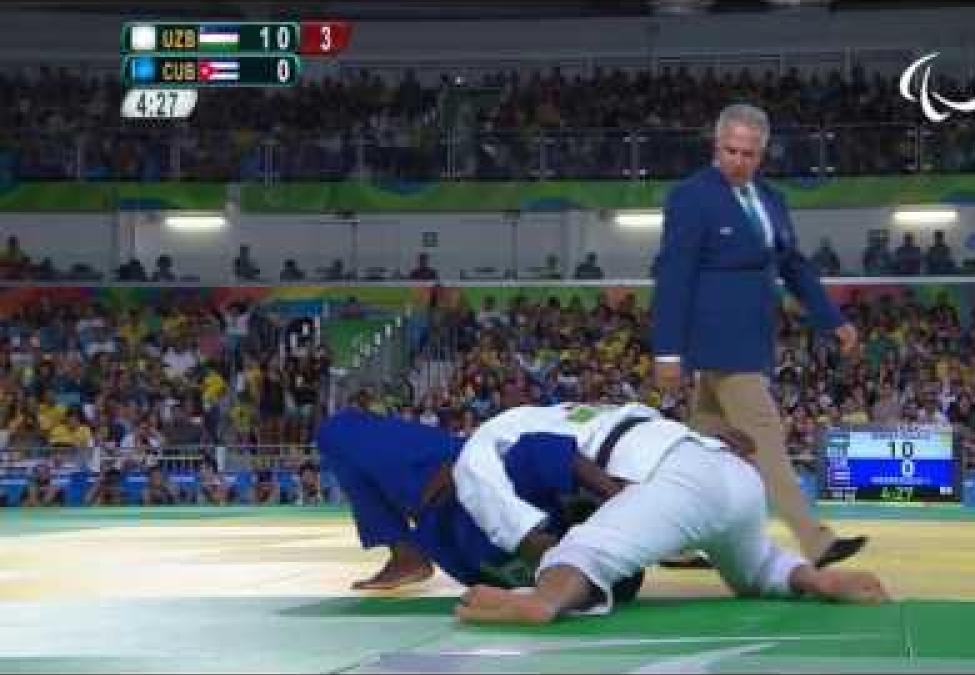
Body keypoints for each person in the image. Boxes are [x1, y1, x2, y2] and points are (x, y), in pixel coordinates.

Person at [650, 102, 864, 567]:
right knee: (765, 434)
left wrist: (833, 319)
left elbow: (794, 266)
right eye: (730, 151)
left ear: (762, 152)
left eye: (748, 153)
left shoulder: (772, 200)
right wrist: (667, 349)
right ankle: (815, 539)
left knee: (700, 445)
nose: (738, 161)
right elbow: (674, 273)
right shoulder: (691, 197)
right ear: (716, 146)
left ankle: (676, 543)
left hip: (754, 336)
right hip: (719, 343)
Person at [453, 403, 889, 625]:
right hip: (730, 471)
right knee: (756, 567)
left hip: (675, 476)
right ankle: (818, 578)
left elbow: (477, 477)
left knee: (582, 551)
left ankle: (542, 603)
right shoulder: (594, 411)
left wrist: (529, 542)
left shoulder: (493, 433)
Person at [315, 402, 644, 597]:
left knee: (337, 434)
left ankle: (407, 553)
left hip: (430, 513)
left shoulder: (548, 586)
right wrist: (623, 502)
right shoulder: (547, 515)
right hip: (443, 467)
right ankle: (406, 553)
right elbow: (545, 451)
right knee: (337, 431)